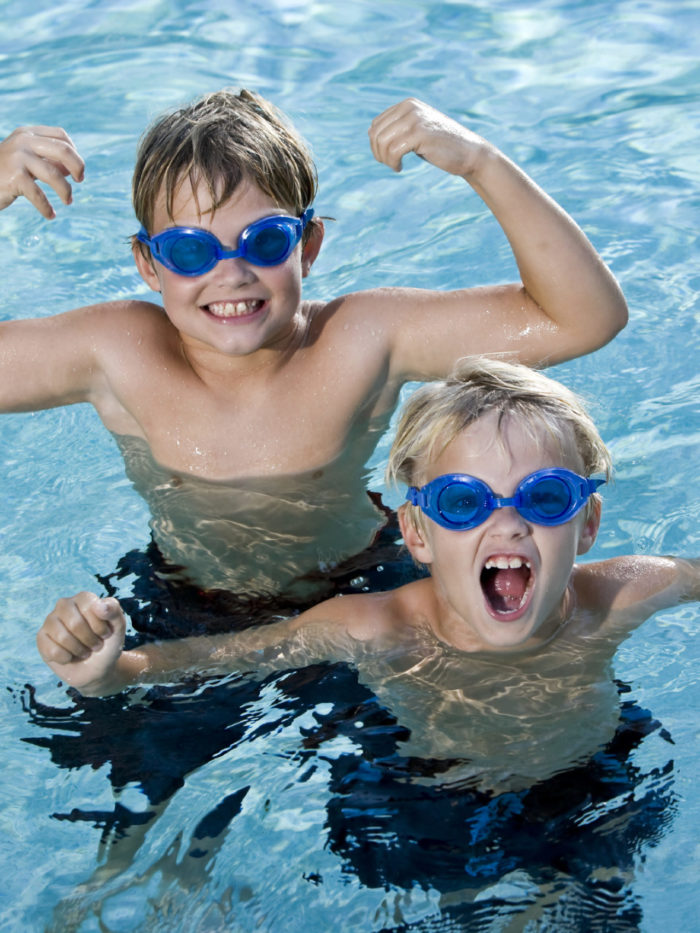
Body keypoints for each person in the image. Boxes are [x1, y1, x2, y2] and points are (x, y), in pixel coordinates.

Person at [1, 91, 627, 616]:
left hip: (364, 588)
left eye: (265, 240)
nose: (232, 273)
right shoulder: (119, 353)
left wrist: (481, 163)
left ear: (309, 246)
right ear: (148, 264)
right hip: (184, 599)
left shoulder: (361, 339)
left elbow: (583, 319)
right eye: (192, 250)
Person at [38, 358, 698, 738]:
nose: (510, 524)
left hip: (586, 779)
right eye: (464, 502)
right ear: (416, 533)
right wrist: (113, 672)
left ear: (586, 525)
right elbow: (222, 657)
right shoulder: (374, 627)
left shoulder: (619, 595)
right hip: (424, 799)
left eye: (545, 496)